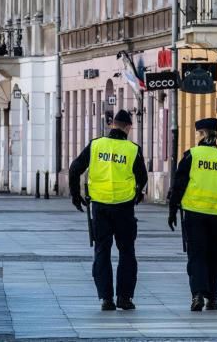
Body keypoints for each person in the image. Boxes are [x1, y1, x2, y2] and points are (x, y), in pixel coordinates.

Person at [68, 109, 147, 311]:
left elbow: (74, 168)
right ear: (128, 127)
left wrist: (76, 195)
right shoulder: (133, 149)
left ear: (112, 125)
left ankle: (106, 298)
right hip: (124, 208)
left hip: (100, 207)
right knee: (127, 252)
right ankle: (124, 298)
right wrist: (137, 195)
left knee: (102, 251)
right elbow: (142, 178)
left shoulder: (96, 145)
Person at [168, 117, 217, 312]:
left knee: (197, 256)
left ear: (201, 134)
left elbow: (179, 185)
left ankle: (198, 294)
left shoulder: (191, 155)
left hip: (194, 214)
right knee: (214, 256)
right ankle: (213, 298)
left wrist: (172, 209)